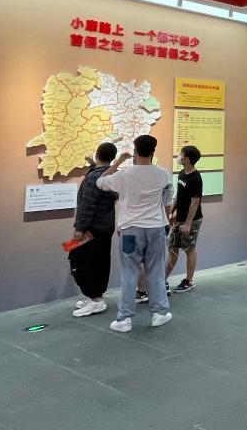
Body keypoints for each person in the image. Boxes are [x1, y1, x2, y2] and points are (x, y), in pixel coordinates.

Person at [97, 135, 173, 331]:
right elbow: (167, 200)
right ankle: (159, 313)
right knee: (156, 272)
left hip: (130, 231)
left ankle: (124, 319)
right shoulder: (164, 174)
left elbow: (100, 182)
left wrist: (117, 163)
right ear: (153, 151)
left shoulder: (124, 175)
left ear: (135, 152)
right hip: (156, 229)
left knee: (129, 274)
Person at [69, 142, 118, 317]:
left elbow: (87, 205)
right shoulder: (113, 176)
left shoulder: (93, 178)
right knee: (99, 262)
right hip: (105, 227)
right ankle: (94, 297)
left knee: (78, 259)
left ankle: (96, 300)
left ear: (97, 155)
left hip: (90, 230)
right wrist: (92, 165)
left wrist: (79, 229)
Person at [166, 145, 204, 293]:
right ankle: (162, 280)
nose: (179, 156)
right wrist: (171, 211)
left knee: (189, 249)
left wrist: (188, 223)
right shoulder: (182, 173)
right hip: (179, 219)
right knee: (172, 248)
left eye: (181, 154)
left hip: (191, 221)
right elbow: (179, 194)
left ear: (186, 159)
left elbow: (195, 202)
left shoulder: (195, 178)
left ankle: (189, 281)